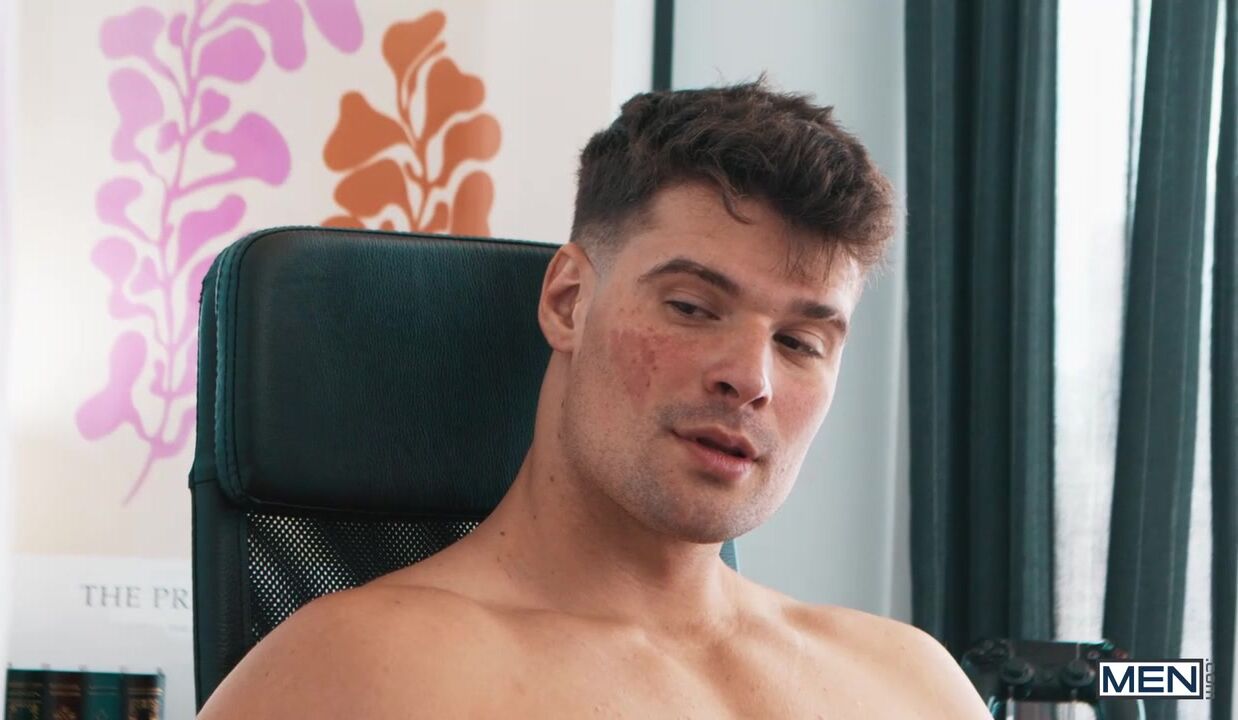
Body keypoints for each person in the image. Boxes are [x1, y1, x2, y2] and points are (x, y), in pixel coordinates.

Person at [197, 79, 990, 719]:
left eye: (800, 343)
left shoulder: (910, 682)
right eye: (693, 307)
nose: (751, 379)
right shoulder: (354, 673)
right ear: (569, 300)